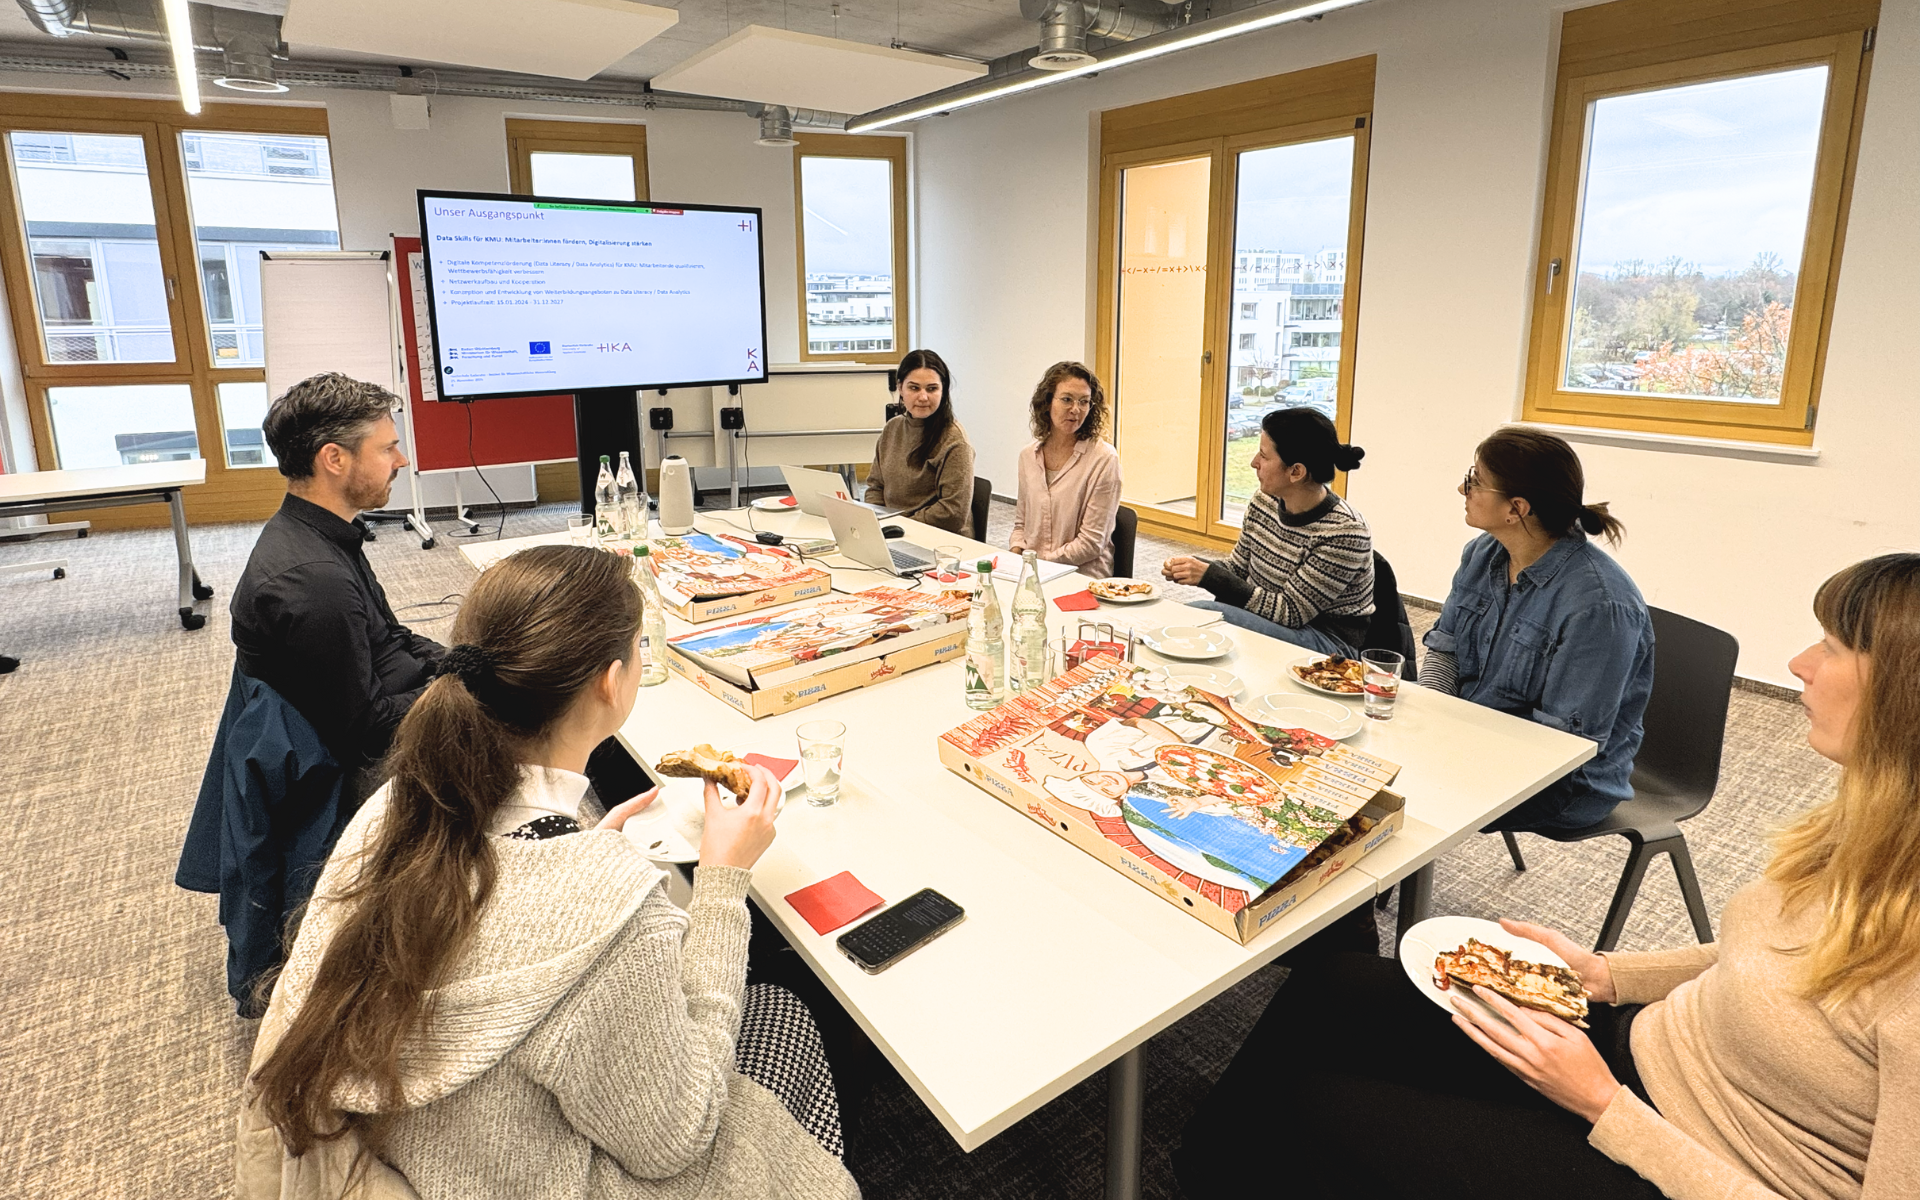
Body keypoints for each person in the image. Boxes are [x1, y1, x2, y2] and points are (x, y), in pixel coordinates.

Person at [1175, 553, 1920, 1200]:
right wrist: (1607, 976)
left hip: (1690, 1153)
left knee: (1317, 1109)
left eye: (1833, 646)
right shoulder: (1879, 831)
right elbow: (1772, 959)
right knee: (1327, 986)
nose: (1799, 664)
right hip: (1651, 1053)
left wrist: (1604, 1107)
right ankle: (1205, 1170)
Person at [239, 544, 859, 1199]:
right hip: (538, 1173)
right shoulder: (605, 908)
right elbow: (677, 1140)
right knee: (785, 1014)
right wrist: (723, 882)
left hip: (426, 1156)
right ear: (611, 682)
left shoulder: (397, 804)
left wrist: (577, 850)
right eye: (641, 646)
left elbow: (506, 926)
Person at [1421, 426, 1653, 831]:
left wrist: (1446, 751)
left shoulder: (1598, 607)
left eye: (1475, 481)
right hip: (1472, 735)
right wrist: (1430, 716)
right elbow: (1446, 649)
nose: (1463, 489)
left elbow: (1562, 744)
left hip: (1565, 783)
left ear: (1516, 509)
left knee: (1412, 795)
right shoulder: (1483, 553)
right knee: (1357, 759)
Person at [231, 373, 444, 795]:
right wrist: (453, 691)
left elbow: (390, 635)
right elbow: (365, 730)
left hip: (393, 702)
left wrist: (454, 663)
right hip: (365, 766)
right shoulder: (313, 581)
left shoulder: (323, 532)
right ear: (334, 459)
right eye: (387, 448)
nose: (401, 461)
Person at [1162, 407, 1373, 657]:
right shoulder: (1265, 501)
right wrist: (1195, 567)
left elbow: (1290, 613)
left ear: (1296, 471)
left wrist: (1210, 577)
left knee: (1200, 613)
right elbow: (1238, 569)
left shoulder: (1345, 532)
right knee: (1193, 621)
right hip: (1269, 618)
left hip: (1325, 640)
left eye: (1263, 456)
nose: (1254, 462)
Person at [1010, 361, 1123, 577]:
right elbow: (1021, 525)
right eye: (1067, 399)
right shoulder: (1028, 456)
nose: (1075, 409)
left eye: (1084, 402)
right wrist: (1014, 556)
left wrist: (1039, 565)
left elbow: (1091, 543)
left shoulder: (1104, 459)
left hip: (1081, 576)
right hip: (1033, 572)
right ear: (1047, 402)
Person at [864, 348, 976, 535]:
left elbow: (952, 513)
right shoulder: (892, 429)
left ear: (943, 390)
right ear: (900, 388)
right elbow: (875, 487)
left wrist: (900, 527)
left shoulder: (954, 440)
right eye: (914, 388)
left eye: (932, 389)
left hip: (938, 539)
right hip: (893, 532)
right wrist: (879, 522)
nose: (923, 397)